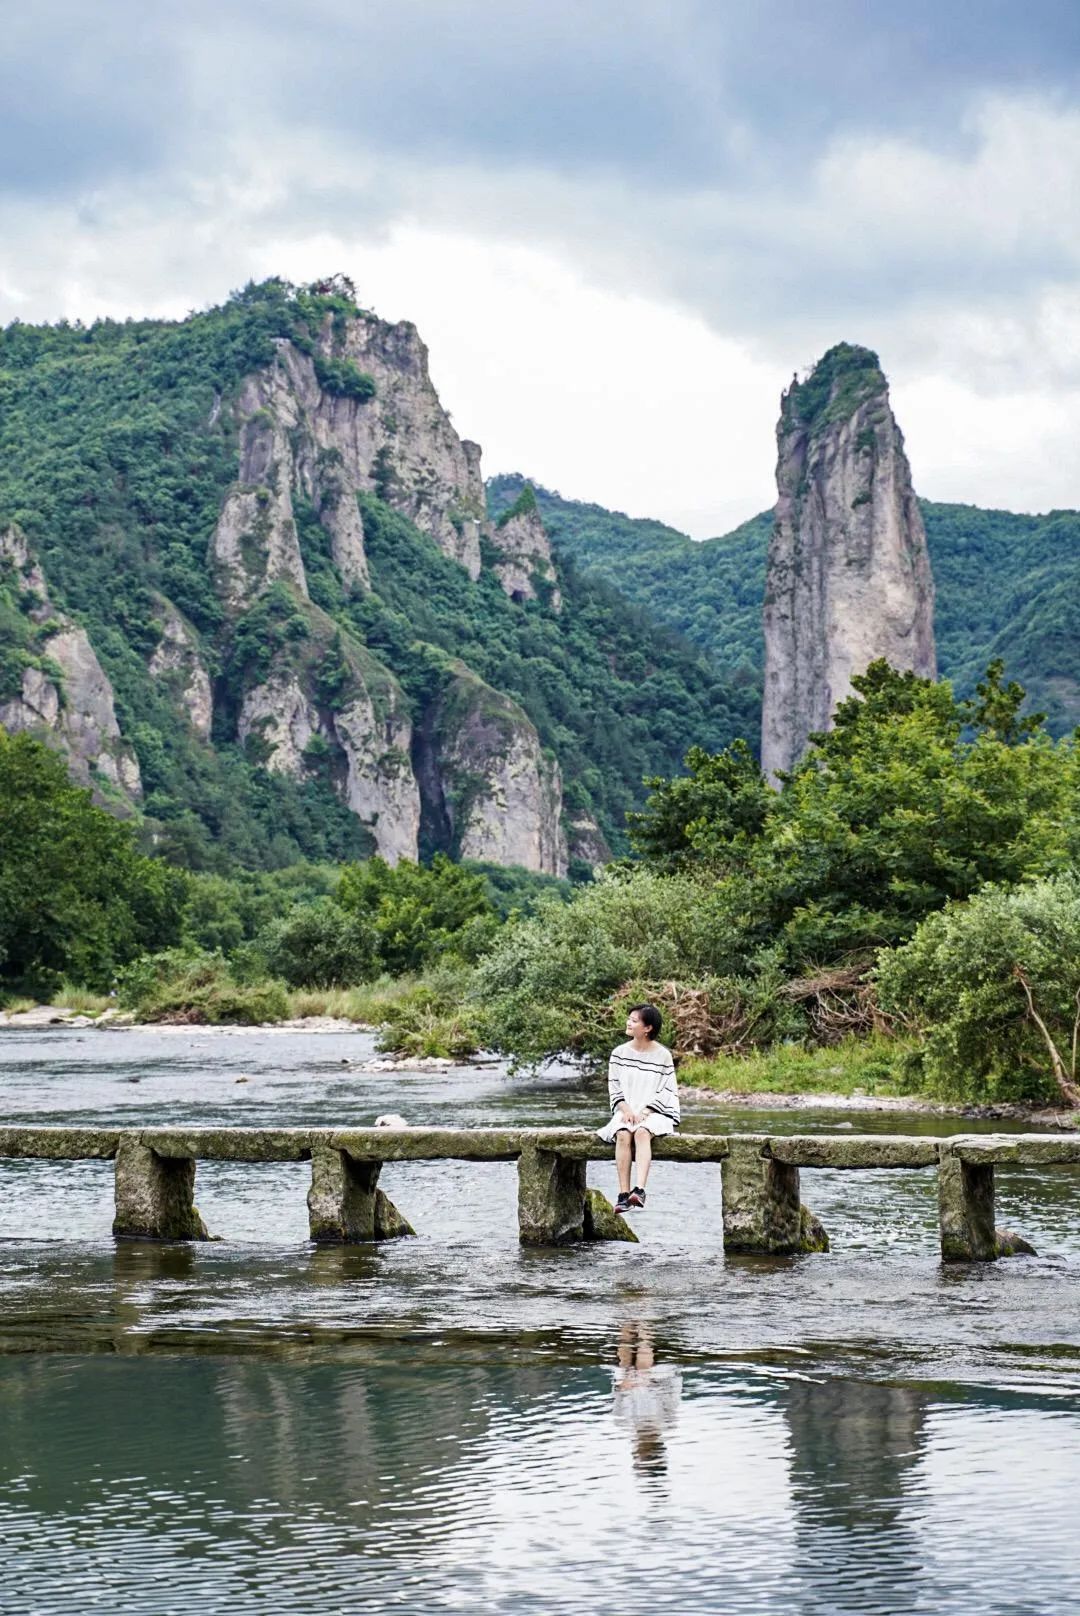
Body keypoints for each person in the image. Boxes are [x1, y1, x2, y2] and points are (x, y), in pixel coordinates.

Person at [596, 1003, 680, 1214]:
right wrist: (626, 1110)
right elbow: (614, 1086)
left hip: (656, 1113)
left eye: (634, 1021)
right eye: (629, 1019)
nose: (628, 1023)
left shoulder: (663, 1056)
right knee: (623, 1134)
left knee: (642, 1133)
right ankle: (623, 1195)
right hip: (626, 1110)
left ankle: (640, 1190)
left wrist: (645, 1112)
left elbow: (666, 1089)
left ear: (647, 1028)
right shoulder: (619, 1053)